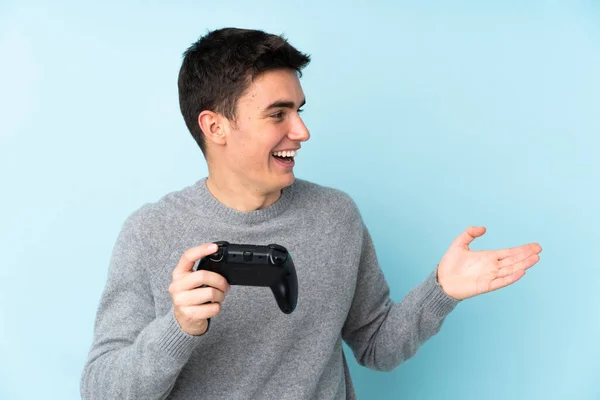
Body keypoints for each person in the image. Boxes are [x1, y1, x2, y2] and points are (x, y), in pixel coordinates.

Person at [80, 27, 542, 400]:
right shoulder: (150, 232)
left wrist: (441, 290)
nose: (301, 131)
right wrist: (178, 329)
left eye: (299, 110)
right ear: (215, 126)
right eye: (277, 114)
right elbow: (101, 392)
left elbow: (377, 346)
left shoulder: (336, 215)